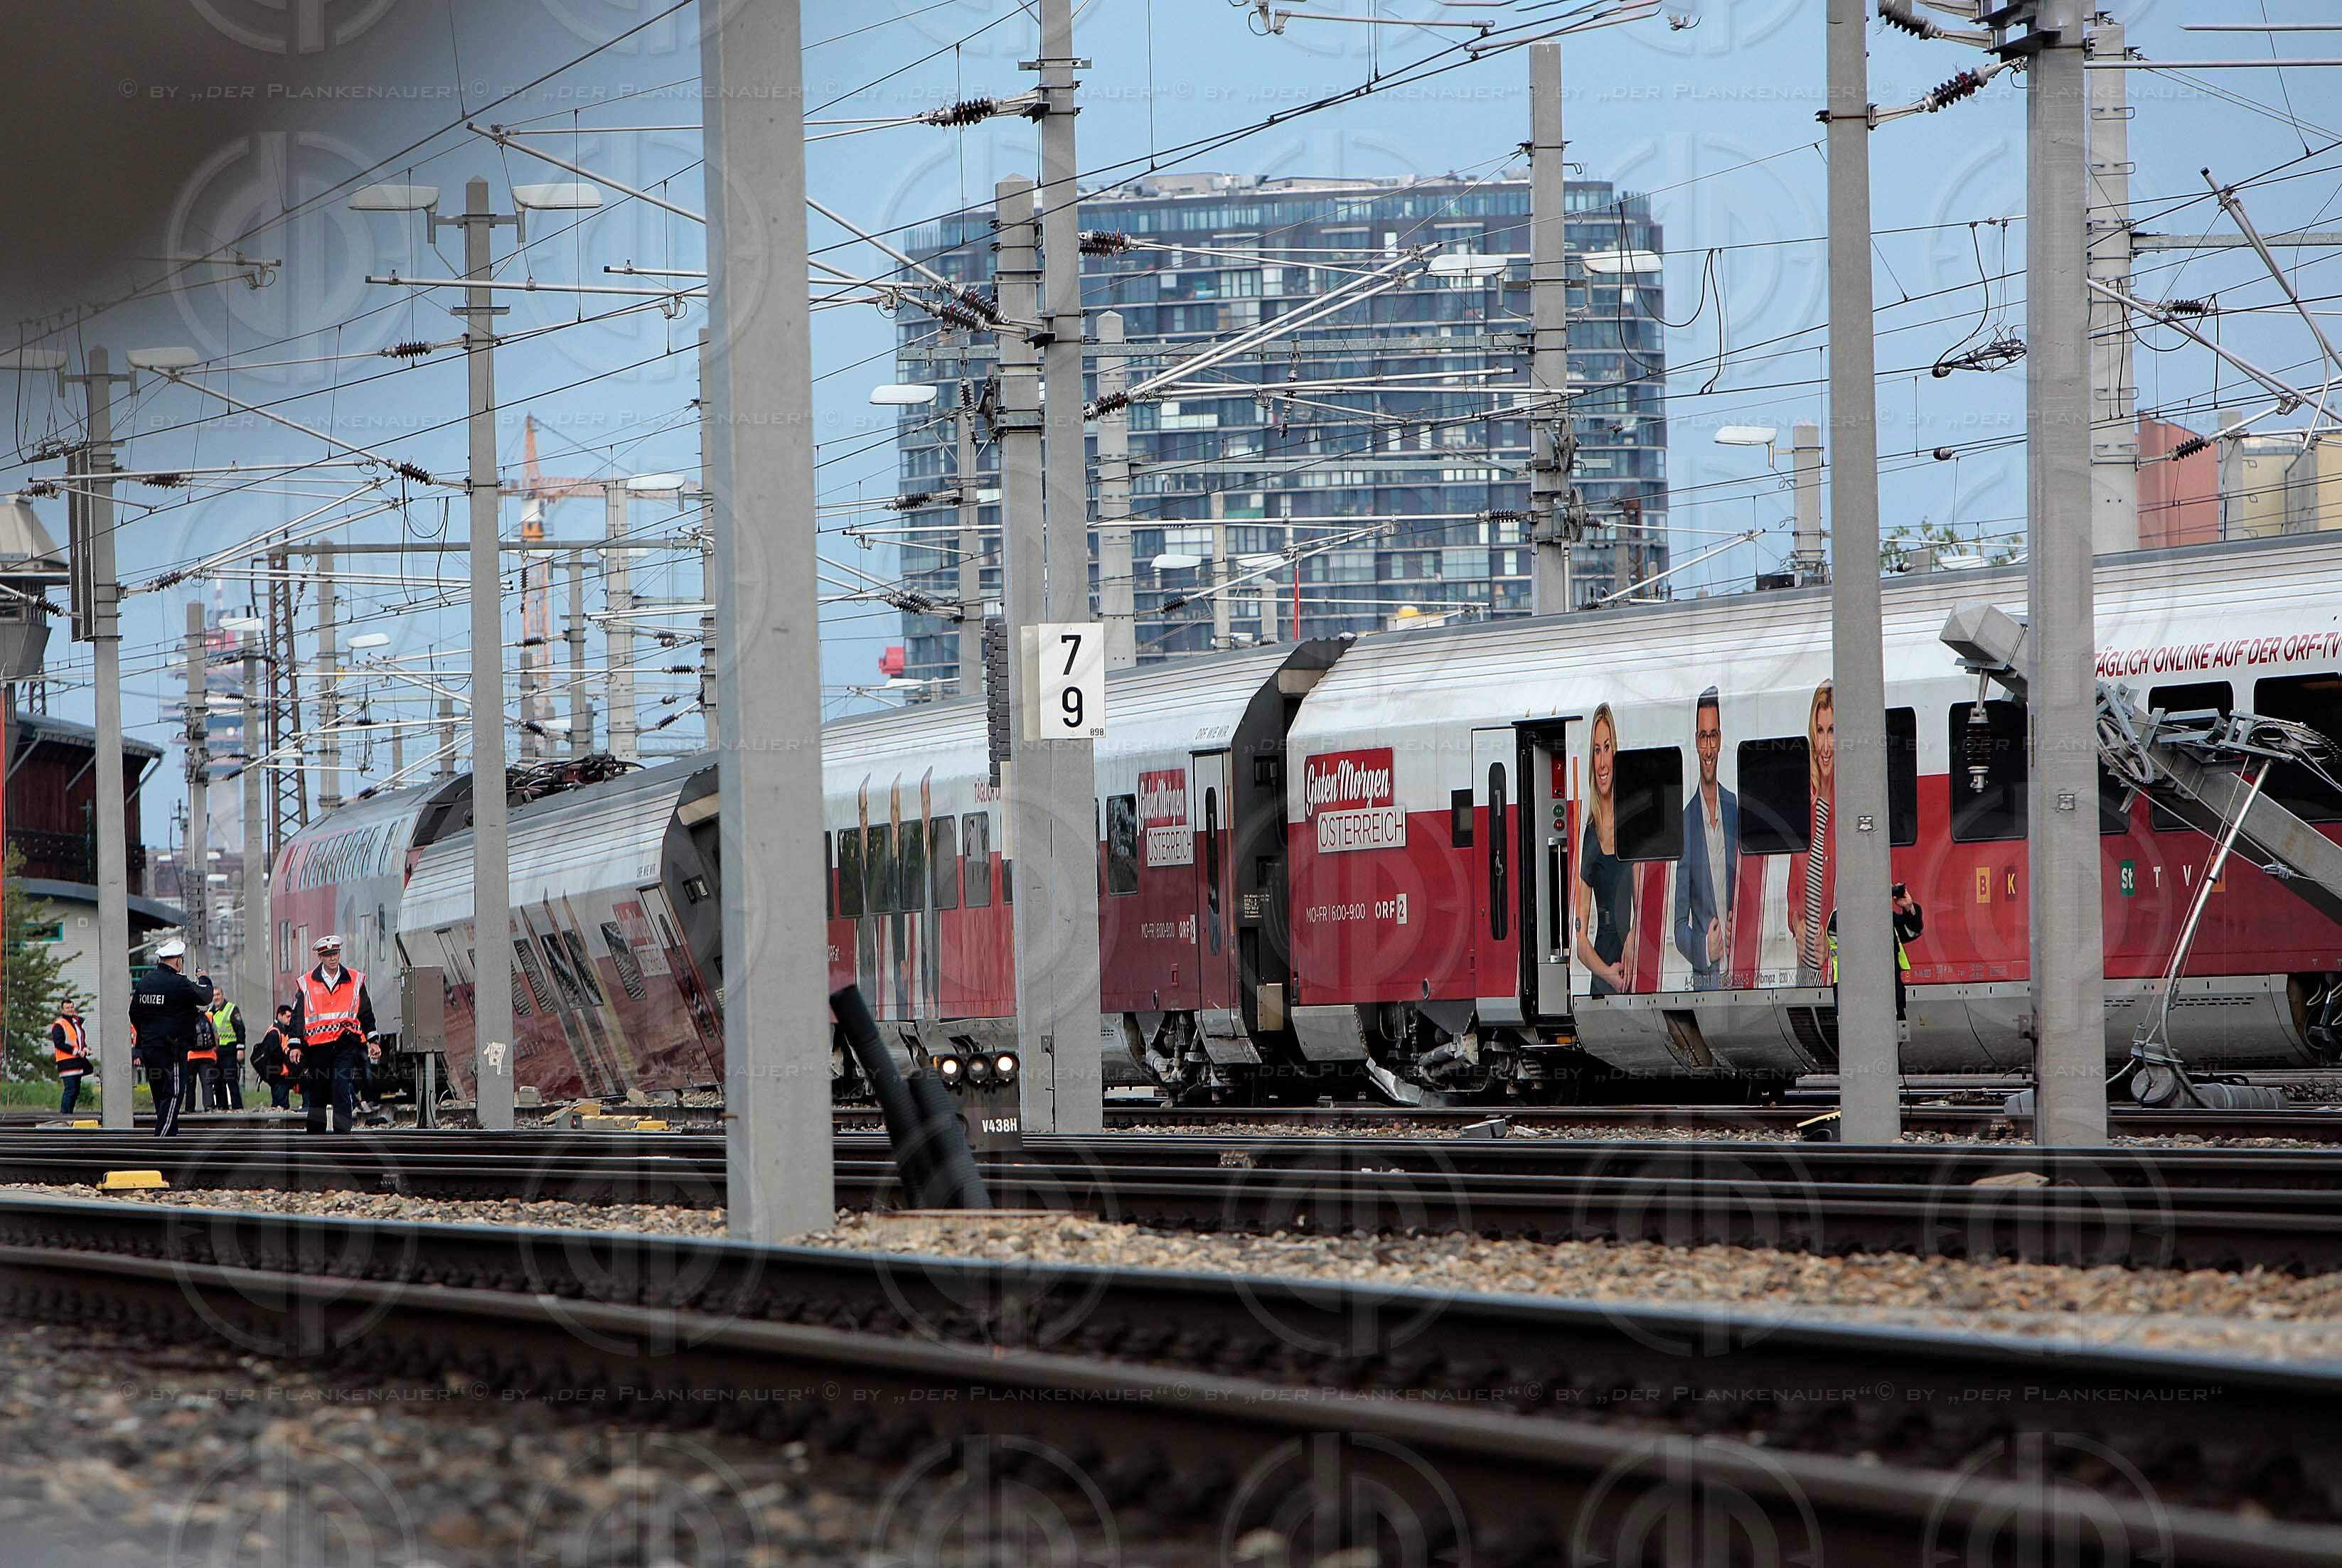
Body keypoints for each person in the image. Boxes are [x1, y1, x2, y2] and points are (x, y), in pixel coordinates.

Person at [1673, 687, 1738, 991]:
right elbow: (1678, 926)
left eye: (1713, 736)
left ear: (1720, 739)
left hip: (1744, 973)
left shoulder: (1735, 808)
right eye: (1703, 737)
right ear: (1696, 742)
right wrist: (1703, 948)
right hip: (1707, 980)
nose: (1709, 748)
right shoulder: (1685, 822)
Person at [287, 935, 379, 1134]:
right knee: (318, 1090)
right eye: (328, 955)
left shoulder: (355, 980)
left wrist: (373, 1040)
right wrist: (294, 1045)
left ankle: (343, 1136)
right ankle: (315, 1136)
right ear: (320, 957)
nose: (332, 958)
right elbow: (297, 1016)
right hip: (317, 1048)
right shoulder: (307, 983)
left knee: (341, 1087)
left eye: (335, 953)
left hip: (344, 1044)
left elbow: (366, 1013)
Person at [1574, 703, 1635, 997]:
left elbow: (1648, 905)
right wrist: (1607, 974)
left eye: (1607, 748)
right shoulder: (1588, 838)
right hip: (1604, 971)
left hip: (1635, 961)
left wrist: (1635, 936)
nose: (1602, 762)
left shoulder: (1634, 825)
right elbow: (1580, 941)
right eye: (1596, 750)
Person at [127, 940, 215, 1137]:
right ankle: (163, 1140)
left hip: (150, 1048)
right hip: (172, 1049)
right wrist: (204, 978)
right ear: (177, 962)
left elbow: (134, 1013)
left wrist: (147, 1034)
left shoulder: (145, 982)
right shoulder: (179, 983)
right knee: (174, 1092)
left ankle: (170, 1134)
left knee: (160, 1094)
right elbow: (206, 996)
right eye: (181, 960)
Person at [1788, 681, 1836, 986]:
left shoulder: (1853, 809)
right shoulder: (1806, 808)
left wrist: (1830, 943)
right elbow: (1794, 894)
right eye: (1819, 731)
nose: (1825, 745)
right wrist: (1798, 925)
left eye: (1832, 730)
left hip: (1840, 972)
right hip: (1806, 972)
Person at [49, 999, 92, 1116]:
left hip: (77, 1062)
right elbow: (59, 1043)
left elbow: (79, 1041)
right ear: (62, 1010)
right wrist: (76, 1051)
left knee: (76, 1091)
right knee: (71, 1089)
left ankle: (69, 1115)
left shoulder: (76, 1023)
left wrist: (85, 1048)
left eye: (72, 1007)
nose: (70, 1010)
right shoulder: (60, 1024)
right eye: (67, 1008)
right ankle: (65, 1115)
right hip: (66, 1062)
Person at [249, 1004, 296, 1110]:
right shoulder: (275, 1032)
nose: (290, 1020)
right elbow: (275, 1053)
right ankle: (278, 1124)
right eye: (288, 1017)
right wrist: (284, 1064)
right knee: (281, 1105)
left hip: (278, 1072)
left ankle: (276, 1123)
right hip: (279, 1073)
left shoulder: (279, 1030)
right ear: (280, 1015)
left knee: (278, 1104)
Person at [207, 999, 247, 1110]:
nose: (216, 998)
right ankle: (222, 1107)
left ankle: (237, 1107)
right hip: (216, 1052)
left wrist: (241, 1048)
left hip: (229, 1051)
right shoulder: (211, 1011)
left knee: (231, 1080)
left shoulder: (231, 1009)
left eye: (218, 995)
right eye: (214, 995)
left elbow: (240, 1029)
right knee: (217, 1082)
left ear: (222, 995)